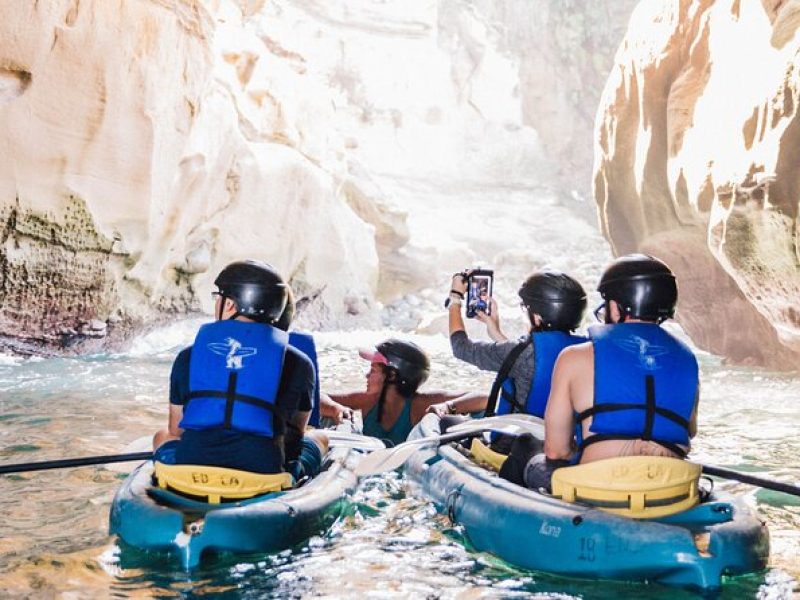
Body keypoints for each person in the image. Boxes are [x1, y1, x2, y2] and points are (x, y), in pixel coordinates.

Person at [509, 254, 700, 491]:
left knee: (527, 446)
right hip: (668, 486)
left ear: (617, 307)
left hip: (598, 487)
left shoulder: (574, 357)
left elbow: (556, 450)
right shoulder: (688, 358)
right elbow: (688, 432)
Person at [152, 260, 327, 481]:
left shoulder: (188, 356)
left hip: (193, 470)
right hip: (263, 475)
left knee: (162, 436)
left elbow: (177, 431)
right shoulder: (299, 362)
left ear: (230, 305)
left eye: (218, 297)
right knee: (319, 438)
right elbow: (295, 434)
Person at [444, 269, 588, 433]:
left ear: (537, 317)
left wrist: (455, 298)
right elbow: (526, 358)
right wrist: (496, 332)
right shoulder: (587, 350)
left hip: (514, 443)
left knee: (444, 422)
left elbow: (461, 348)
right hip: (564, 438)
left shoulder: (520, 353)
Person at [321, 339, 487, 446]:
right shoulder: (367, 400)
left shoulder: (419, 404)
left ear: (392, 375)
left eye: (373, 369)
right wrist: (335, 409)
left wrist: (447, 407)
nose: (366, 375)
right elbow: (316, 396)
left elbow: (483, 398)